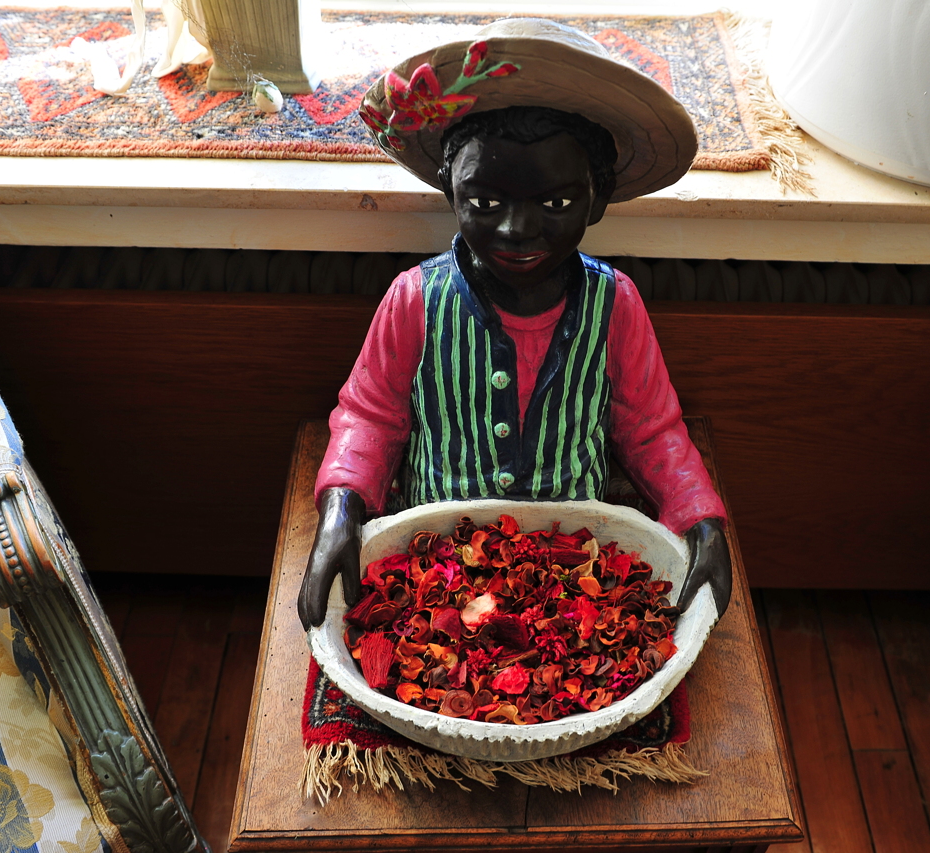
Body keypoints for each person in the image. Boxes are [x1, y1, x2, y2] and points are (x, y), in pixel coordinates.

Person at [297, 18, 732, 630]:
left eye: (556, 204)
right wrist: (341, 510)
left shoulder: (616, 305)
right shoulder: (414, 300)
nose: (516, 231)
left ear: (597, 198)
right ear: (451, 189)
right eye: (486, 203)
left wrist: (699, 517)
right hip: (434, 566)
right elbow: (370, 416)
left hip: (576, 573)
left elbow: (650, 429)